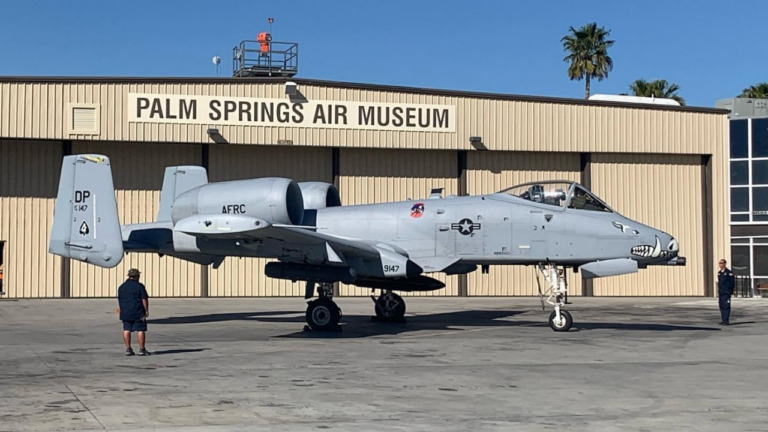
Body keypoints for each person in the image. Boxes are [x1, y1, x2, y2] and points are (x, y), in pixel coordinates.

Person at [117, 268, 151, 355]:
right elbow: (144, 299)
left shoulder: (122, 286)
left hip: (125, 312)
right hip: (138, 311)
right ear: (136, 276)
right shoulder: (139, 286)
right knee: (140, 330)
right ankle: (142, 350)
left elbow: (120, 299)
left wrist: (121, 309)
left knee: (126, 329)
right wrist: (146, 310)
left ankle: (128, 349)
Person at [717, 259, 735, 325]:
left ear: (725, 264)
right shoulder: (719, 273)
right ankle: (723, 319)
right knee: (721, 306)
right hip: (721, 292)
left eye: (722, 263)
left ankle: (726, 320)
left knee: (726, 306)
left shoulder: (729, 273)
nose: (720, 264)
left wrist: (731, 291)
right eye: (719, 263)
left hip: (726, 292)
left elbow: (732, 283)